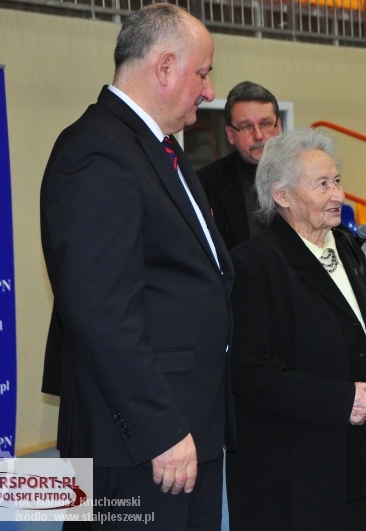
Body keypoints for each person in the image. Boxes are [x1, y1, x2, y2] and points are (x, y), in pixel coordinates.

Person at [39, 4, 234, 529]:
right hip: (141, 442)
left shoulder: (156, 148)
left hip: (186, 425)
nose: (209, 91)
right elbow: (102, 312)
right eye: (203, 73)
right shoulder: (97, 152)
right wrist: (160, 429)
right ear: (165, 67)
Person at [224, 128, 366, 530]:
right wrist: (340, 400)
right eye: (322, 184)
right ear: (281, 195)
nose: (337, 194)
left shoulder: (345, 249)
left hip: (351, 462)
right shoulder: (254, 265)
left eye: (337, 180)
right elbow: (249, 372)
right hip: (291, 469)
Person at [198, 81, 282, 250]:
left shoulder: (305, 174)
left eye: (266, 124)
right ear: (230, 134)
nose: (259, 135)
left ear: (279, 127)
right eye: (246, 127)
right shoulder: (205, 183)